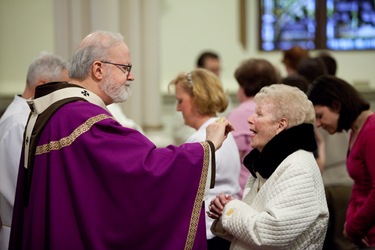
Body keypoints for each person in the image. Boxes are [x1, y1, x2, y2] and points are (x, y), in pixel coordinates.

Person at [9, 30, 233, 250]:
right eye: (125, 68)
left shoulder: (60, 115)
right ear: (98, 69)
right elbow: (145, 167)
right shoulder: (84, 119)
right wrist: (207, 146)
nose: (131, 76)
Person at [208, 84, 329, 250]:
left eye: (259, 114)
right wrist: (225, 213)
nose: (250, 119)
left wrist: (230, 209)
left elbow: (269, 233)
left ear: (280, 125)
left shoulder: (298, 168)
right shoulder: (266, 163)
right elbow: (253, 226)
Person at [0, 52, 70, 250]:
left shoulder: (29, 117)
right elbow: (22, 187)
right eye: (61, 87)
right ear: (42, 85)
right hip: (19, 231)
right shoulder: (18, 124)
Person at [169, 68, 241, 250]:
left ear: (197, 98)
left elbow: (184, 187)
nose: (178, 108)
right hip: (222, 223)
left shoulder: (203, 139)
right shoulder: (220, 129)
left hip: (207, 229)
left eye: (180, 101)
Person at [308, 75, 375, 248]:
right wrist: (350, 224)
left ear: (336, 105)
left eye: (320, 116)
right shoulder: (356, 130)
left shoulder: (371, 130)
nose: (318, 124)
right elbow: (359, 185)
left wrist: (354, 227)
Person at [226, 58, 279, 198]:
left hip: (246, 193)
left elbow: (230, 162)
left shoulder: (238, 115)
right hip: (274, 190)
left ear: (243, 86)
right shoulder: (279, 110)